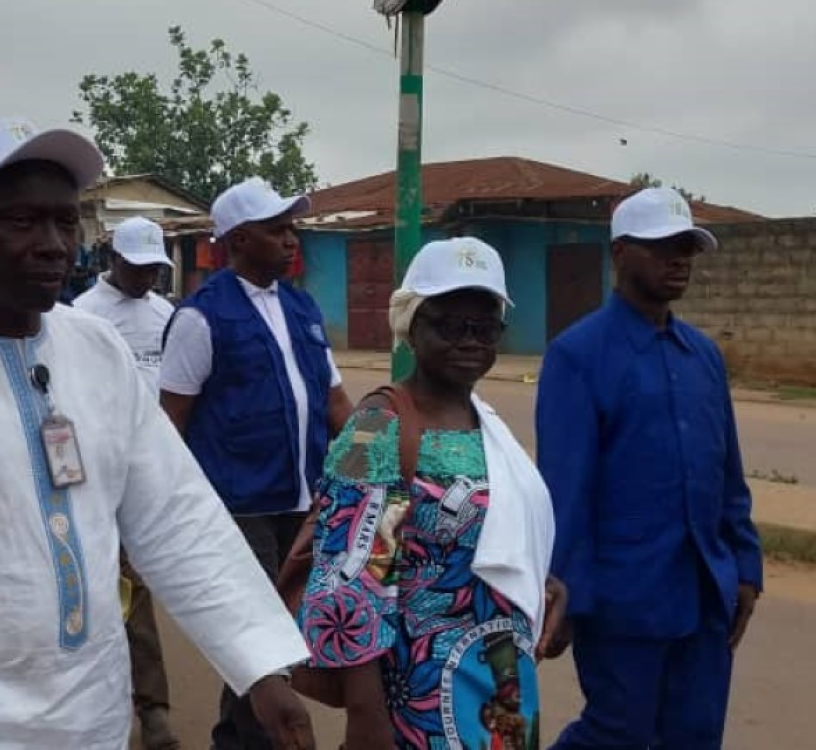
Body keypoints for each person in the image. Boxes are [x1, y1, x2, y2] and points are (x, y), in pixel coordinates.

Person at [0, 117, 315, 750]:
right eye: (20, 221)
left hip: (90, 715)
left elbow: (176, 515)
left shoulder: (96, 349)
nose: (52, 244)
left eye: (65, 222)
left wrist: (261, 662)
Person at [296, 238, 565, 749]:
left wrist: (542, 579)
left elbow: (492, 537)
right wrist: (365, 715)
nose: (470, 341)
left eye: (483, 327)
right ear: (411, 327)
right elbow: (350, 582)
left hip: (503, 682)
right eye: (449, 324)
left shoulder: (485, 423)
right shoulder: (376, 428)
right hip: (416, 688)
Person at [539, 188, 763, 750]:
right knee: (617, 732)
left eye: (686, 246)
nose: (679, 258)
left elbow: (727, 473)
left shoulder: (702, 355)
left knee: (694, 734)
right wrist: (566, 591)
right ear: (619, 254)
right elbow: (567, 489)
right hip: (624, 596)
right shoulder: (578, 355)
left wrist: (745, 567)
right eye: (662, 246)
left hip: (705, 588)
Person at [158, 177, 352, 750]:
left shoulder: (301, 306)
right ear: (238, 240)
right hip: (241, 508)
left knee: (282, 640)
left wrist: (387, 461)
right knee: (262, 643)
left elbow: (336, 402)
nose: (292, 241)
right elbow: (170, 425)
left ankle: (234, 739)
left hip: (305, 503)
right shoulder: (201, 318)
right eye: (277, 230)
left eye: (293, 229)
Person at [70, 214, 180, 750]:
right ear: (113, 260)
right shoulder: (80, 316)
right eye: (135, 268)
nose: (145, 279)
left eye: (153, 270)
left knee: (135, 592)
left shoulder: (166, 314)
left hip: (152, 470)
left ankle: (153, 708)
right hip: (95, 472)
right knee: (93, 590)